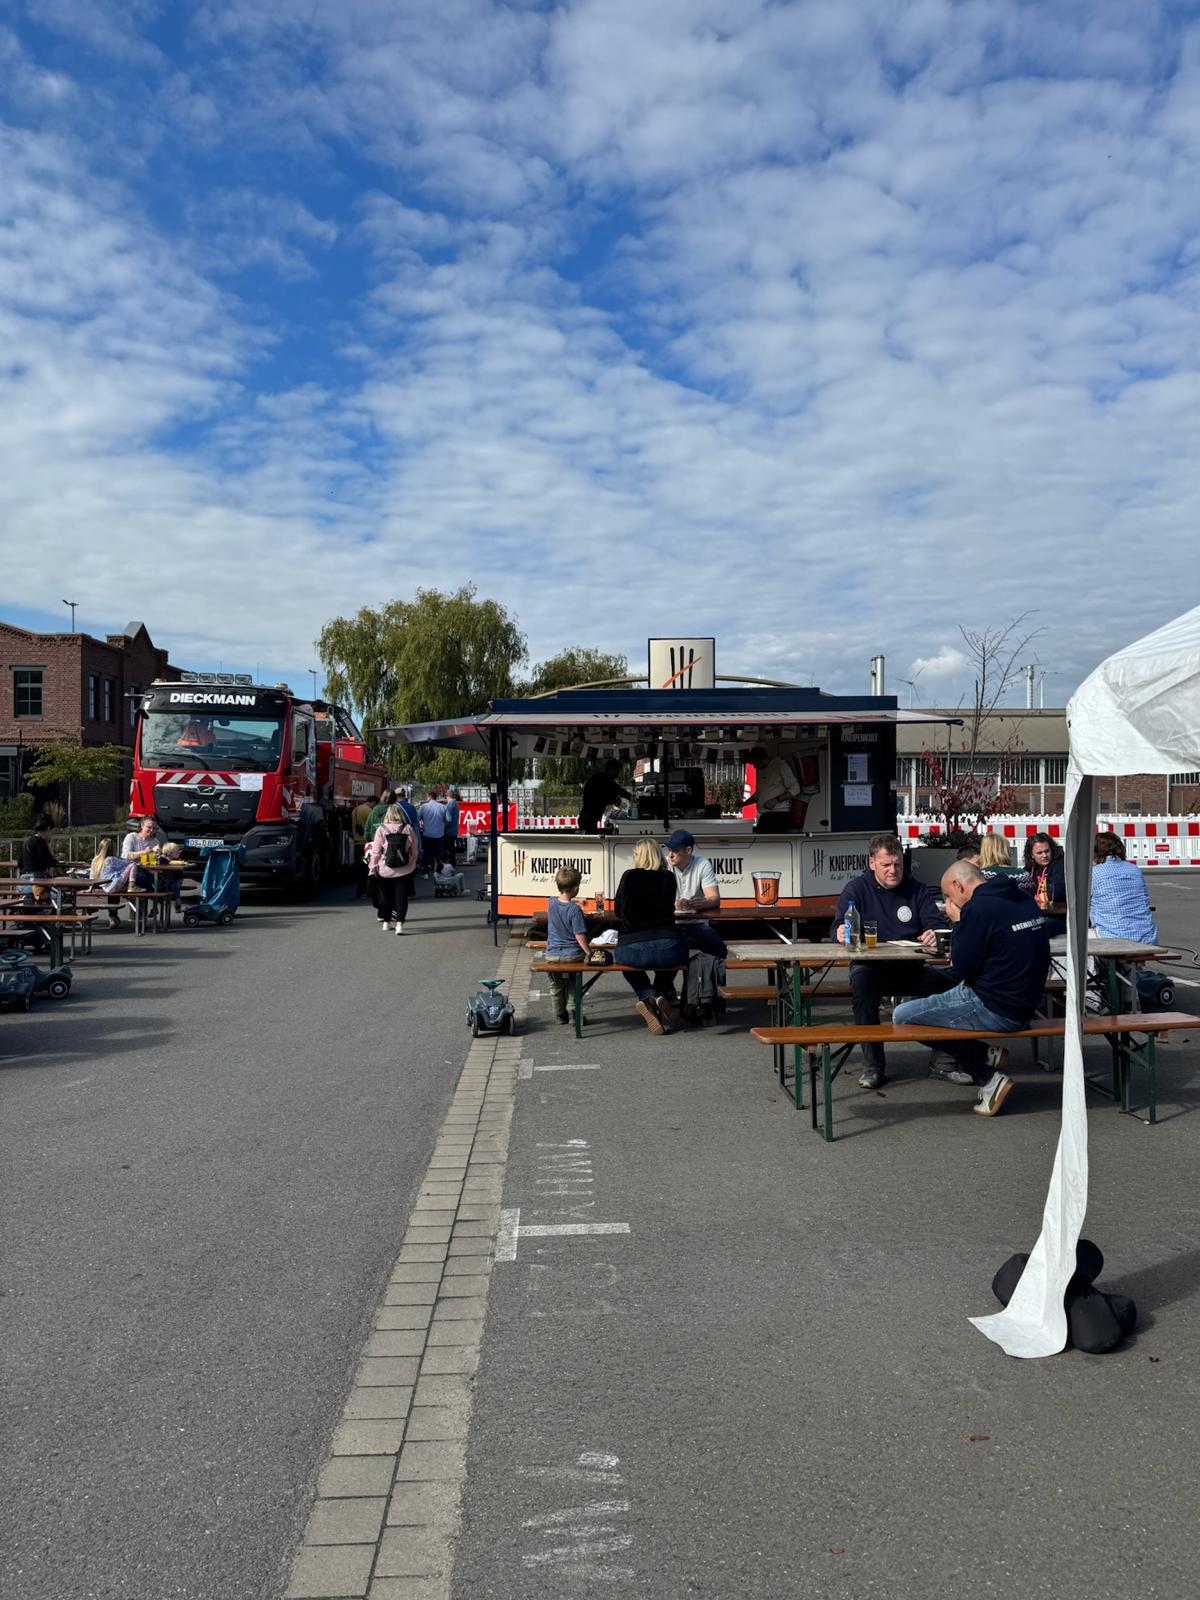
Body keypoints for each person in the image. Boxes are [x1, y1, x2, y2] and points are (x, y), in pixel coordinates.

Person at [892, 860, 1051, 1117]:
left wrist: (958, 921)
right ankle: (985, 1054)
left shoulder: (977, 909)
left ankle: (987, 1075)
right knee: (934, 990)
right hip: (1027, 1002)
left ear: (958, 885)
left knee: (903, 1017)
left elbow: (962, 967)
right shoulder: (1022, 898)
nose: (948, 903)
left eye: (948, 896)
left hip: (995, 1005)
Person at [830, 832, 948, 1089]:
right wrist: (839, 933)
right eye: (886, 865)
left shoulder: (916, 888)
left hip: (911, 966)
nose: (893, 870)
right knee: (863, 990)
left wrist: (932, 932)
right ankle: (873, 1067)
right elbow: (837, 926)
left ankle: (945, 1061)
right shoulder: (856, 889)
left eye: (897, 864)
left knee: (948, 990)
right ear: (872, 862)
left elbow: (936, 923)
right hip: (871, 967)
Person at [613, 837, 690, 1034]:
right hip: (668, 945)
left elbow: (618, 910)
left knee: (623, 963)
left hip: (633, 946)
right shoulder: (668, 877)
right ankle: (659, 995)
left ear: (640, 856)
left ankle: (648, 996)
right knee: (675, 960)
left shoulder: (629, 876)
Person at [663, 828, 727, 959]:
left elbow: (715, 899)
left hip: (696, 922)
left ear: (688, 850)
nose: (670, 855)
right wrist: (675, 904)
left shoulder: (702, 863)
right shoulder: (663, 864)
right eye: (669, 850)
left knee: (720, 950)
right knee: (666, 955)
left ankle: (704, 970)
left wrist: (703, 903)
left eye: (675, 850)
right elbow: (655, 901)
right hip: (670, 923)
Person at [1090, 833, 1158, 943]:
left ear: (1094, 852)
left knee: (1076, 938)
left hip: (1112, 937)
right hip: (1147, 937)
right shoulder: (1135, 870)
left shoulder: (1094, 873)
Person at [544, 866, 591, 1025]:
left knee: (556, 986)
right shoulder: (574, 910)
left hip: (552, 955)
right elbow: (579, 935)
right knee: (573, 984)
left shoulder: (551, 903)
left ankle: (560, 1015)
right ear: (576, 888)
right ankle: (573, 1013)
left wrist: (576, 899)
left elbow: (559, 898)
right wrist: (589, 952)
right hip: (572, 955)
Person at [367, 802, 420, 934]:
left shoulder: (381, 829)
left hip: (385, 870)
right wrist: (412, 863)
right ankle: (399, 925)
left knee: (387, 897)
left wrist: (372, 868)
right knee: (401, 897)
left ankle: (386, 922)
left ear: (387, 815)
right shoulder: (407, 828)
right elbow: (414, 850)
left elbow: (376, 852)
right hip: (404, 869)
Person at [746, 746, 800, 833]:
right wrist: (743, 804)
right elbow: (758, 794)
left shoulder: (780, 766)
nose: (755, 767)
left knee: (773, 840)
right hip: (765, 814)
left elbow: (795, 788)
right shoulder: (761, 771)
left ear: (763, 758)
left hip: (779, 814)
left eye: (756, 764)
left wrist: (776, 800)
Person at [1025, 833, 1067, 934]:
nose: (1044, 855)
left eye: (1047, 851)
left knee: (1035, 929)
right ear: (1032, 855)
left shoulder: (1060, 864)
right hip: (1039, 913)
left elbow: (1057, 892)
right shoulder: (1031, 867)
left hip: (1058, 916)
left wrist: (1036, 898)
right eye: (1039, 853)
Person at [578, 760, 631, 834]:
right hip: (588, 818)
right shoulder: (604, 780)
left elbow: (601, 797)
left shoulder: (599, 779)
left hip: (587, 817)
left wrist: (613, 800)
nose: (617, 775)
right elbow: (619, 791)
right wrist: (633, 798)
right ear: (611, 769)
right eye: (617, 771)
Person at [19, 816, 60, 884]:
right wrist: (56, 861)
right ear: (48, 829)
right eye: (52, 832)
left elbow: (20, 862)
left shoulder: (28, 841)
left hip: (24, 878)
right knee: (60, 886)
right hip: (37, 878)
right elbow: (48, 861)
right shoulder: (40, 842)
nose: (52, 835)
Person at [417, 789, 447, 873]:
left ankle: (425, 871)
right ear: (435, 797)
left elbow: (417, 818)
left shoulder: (424, 807)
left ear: (429, 797)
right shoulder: (443, 807)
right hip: (439, 834)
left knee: (426, 853)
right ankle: (438, 871)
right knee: (439, 853)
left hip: (427, 834)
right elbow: (448, 819)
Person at [350, 796, 374, 899]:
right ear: (373, 802)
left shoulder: (355, 810)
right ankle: (365, 890)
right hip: (366, 846)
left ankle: (360, 890)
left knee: (359, 868)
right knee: (366, 867)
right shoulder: (369, 811)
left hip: (357, 844)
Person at [443, 788, 461, 863]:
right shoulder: (456, 804)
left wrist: (443, 826)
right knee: (451, 848)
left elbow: (448, 819)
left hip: (448, 831)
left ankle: (450, 863)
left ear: (447, 796)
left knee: (448, 849)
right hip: (454, 830)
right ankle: (452, 862)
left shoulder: (450, 805)